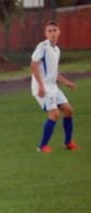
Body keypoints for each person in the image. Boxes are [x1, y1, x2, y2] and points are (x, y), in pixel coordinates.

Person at [31, 20, 78, 153]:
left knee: (68, 111)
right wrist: (40, 86)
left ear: (59, 32)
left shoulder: (56, 50)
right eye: (49, 31)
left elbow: (54, 73)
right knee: (55, 114)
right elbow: (33, 65)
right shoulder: (42, 47)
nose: (52, 33)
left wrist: (67, 82)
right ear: (46, 34)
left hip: (52, 87)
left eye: (54, 30)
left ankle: (68, 143)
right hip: (42, 88)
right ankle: (42, 146)